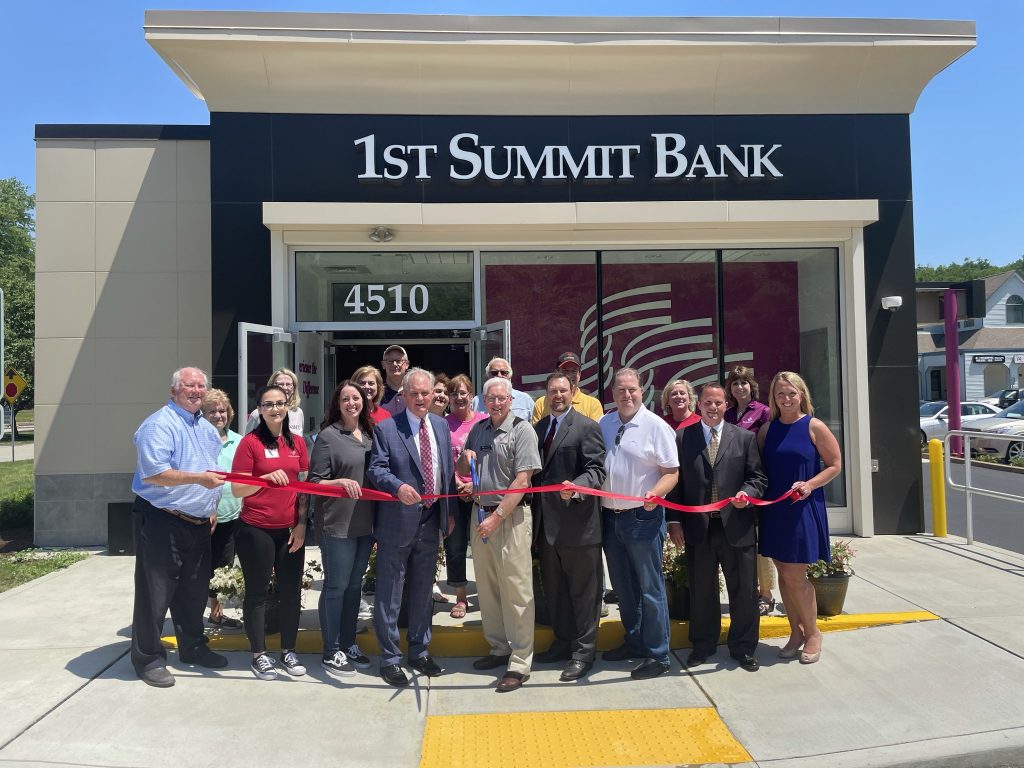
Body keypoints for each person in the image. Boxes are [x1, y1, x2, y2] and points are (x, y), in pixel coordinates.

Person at [130, 366, 228, 688]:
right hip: (161, 521)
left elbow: (212, 472)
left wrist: (211, 508)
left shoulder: (207, 429)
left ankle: (194, 647)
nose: (196, 391)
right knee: (155, 594)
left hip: (198, 524)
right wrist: (199, 479)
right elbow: (154, 473)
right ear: (174, 391)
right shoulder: (159, 425)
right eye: (189, 386)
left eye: (201, 386)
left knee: (194, 591)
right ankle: (148, 659)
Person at [367, 368, 456, 687]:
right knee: (390, 593)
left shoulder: (442, 426)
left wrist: (450, 512)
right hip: (397, 521)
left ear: (434, 394)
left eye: (426, 393)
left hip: (432, 521)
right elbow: (376, 469)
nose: (421, 398)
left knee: (422, 590)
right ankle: (390, 659)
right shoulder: (387, 429)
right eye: (414, 393)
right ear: (403, 395)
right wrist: (397, 487)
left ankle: (419, 650)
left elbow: (446, 474)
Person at [670, 383, 767, 672]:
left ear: (726, 405)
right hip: (698, 528)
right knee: (701, 589)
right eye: (708, 402)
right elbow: (676, 482)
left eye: (718, 403)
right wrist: (674, 521)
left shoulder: (744, 438)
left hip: (736, 526)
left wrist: (747, 495)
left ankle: (744, 648)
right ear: (698, 405)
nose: (713, 407)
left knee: (745, 591)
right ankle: (703, 644)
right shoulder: (681, 438)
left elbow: (758, 477)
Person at [459, 376, 542, 693]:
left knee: (517, 591)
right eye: (490, 398)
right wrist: (463, 461)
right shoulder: (478, 430)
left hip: (509, 518)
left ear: (510, 400)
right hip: (479, 514)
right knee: (488, 585)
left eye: (501, 398)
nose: (495, 403)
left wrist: (496, 517)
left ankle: (520, 663)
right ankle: (498, 648)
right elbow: (466, 471)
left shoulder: (522, 430)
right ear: (484, 401)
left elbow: (522, 481)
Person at [598, 367, 679, 680]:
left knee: (649, 587)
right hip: (610, 516)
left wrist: (655, 493)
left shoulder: (655, 426)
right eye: (621, 390)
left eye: (632, 389)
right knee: (623, 587)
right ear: (613, 392)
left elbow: (671, 472)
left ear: (641, 391)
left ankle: (658, 655)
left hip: (642, 516)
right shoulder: (604, 423)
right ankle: (634, 641)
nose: (627, 395)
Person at [757, 371, 842, 665]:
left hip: (801, 509)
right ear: (774, 398)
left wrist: (810, 484)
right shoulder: (767, 430)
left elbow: (835, 465)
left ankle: (814, 633)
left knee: (795, 574)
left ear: (802, 395)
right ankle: (795, 632)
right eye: (781, 394)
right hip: (774, 509)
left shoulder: (813, 426)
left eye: (792, 393)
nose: (787, 398)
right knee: (783, 573)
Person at [231, 383, 310, 681]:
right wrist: (264, 479)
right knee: (258, 593)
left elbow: (304, 488)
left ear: (288, 406)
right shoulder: (249, 443)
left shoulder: (298, 443)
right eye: (268, 404)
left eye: (279, 403)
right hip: (256, 529)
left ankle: (288, 650)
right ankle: (259, 655)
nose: (275, 409)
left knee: (291, 593)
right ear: (260, 410)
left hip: (290, 531)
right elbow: (238, 488)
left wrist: (302, 524)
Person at [532, 371, 607, 681]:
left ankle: (583, 652)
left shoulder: (587, 427)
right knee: (556, 592)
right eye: (553, 391)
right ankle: (563, 643)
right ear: (546, 395)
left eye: (563, 390)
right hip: (546, 529)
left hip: (579, 527)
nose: (558, 396)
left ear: (573, 391)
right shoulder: (537, 429)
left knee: (584, 594)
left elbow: (597, 471)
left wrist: (576, 486)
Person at [308, 380, 377, 677]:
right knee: (336, 586)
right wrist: (337, 483)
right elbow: (313, 482)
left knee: (354, 586)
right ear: (338, 403)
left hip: (366, 523)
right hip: (337, 524)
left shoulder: (370, 434)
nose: (352, 403)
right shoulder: (327, 437)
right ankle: (330, 649)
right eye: (346, 398)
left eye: (356, 398)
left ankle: (348, 643)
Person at [724, 365, 776, 616]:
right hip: (732, 485)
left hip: (756, 482)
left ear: (751, 386)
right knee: (741, 540)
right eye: (735, 383)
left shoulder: (764, 412)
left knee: (758, 540)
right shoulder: (728, 414)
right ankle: (748, 590)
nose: (740, 387)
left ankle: (765, 593)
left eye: (744, 382)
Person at [443, 374, 487, 619]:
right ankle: (461, 597)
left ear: (471, 396)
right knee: (456, 546)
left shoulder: (483, 422)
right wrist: (457, 483)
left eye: (463, 393)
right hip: (453, 493)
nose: (459, 397)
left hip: (481, 494)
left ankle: (487, 594)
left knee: (484, 546)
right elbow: (439, 461)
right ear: (448, 398)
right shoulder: (441, 424)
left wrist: (476, 487)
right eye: (454, 393)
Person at [200, 388, 243, 629]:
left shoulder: (239, 441)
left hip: (232, 515)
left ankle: (216, 614)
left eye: (222, 410)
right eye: (212, 411)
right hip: (203, 517)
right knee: (201, 568)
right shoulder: (198, 441)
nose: (219, 415)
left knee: (222, 568)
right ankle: (195, 615)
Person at [531, 352, 605, 423]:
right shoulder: (541, 403)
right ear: (556, 372)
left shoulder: (592, 404)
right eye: (565, 371)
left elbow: (593, 433)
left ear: (579, 374)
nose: (569, 375)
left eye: (574, 371)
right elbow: (537, 433)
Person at [245, 368, 305, 438]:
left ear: (293, 388)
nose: (285, 388)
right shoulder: (258, 414)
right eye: (280, 384)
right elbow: (248, 443)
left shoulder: (298, 412)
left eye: (288, 384)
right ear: (271, 387)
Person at [470, 357, 535, 421]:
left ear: (510, 376)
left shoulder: (525, 400)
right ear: (488, 376)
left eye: (503, 372)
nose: (499, 375)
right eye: (494, 373)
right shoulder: (477, 401)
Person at [379, 344, 410, 415]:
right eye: (390, 361)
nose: (394, 364)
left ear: (407, 364)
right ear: (383, 364)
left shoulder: (414, 391)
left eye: (399, 361)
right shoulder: (377, 392)